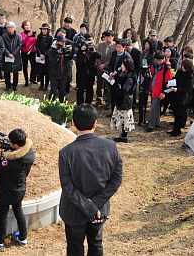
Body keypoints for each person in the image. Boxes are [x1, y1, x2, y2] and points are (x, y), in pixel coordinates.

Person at [59, 103, 123, 256]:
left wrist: (88, 207)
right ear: (95, 123)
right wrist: (94, 206)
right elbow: (116, 180)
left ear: (73, 123)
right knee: (96, 243)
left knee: (74, 247)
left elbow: (67, 187)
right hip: (99, 210)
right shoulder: (110, 146)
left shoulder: (66, 153)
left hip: (74, 210)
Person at [0, 129, 35, 249]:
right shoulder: (29, 153)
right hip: (19, 188)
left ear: (15, 144)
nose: (8, 143)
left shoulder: (12, 161)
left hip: (5, 191)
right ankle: (23, 238)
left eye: (10, 142)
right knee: (18, 211)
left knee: (3, 215)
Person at [109, 58, 136, 142]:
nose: (121, 66)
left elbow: (125, 89)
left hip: (125, 99)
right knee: (121, 117)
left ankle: (124, 136)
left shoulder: (130, 77)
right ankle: (122, 134)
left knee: (125, 118)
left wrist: (117, 88)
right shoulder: (123, 74)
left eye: (123, 65)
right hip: (120, 98)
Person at [146, 50, 172, 132]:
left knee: (153, 107)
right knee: (156, 107)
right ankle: (156, 122)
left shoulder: (167, 67)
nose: (158, 62)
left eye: (159, 60)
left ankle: (150, 125)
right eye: (157, 60)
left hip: (160, 89)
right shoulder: (154, 65)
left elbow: (168, 80)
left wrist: (164, 92)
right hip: (153, 87)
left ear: (163, 58)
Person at [167, 59, 194, 137]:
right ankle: (175, 129)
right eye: (182, 66)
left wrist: (178, 89)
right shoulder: (179, 72)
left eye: (185, 67)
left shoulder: (190, 76)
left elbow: (188, 89)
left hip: (183, 98)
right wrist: (170, 84)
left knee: (180, 114)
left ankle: (178, 130)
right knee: (175, 113)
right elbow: (175, 80)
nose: (183, 68)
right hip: (176, 96)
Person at [76, 33, 101, 105]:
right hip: (82, 72)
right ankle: (80, 103)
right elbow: (80, 61)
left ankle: (88, 103)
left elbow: (99, 56)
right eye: (88, 40)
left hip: (91, 72)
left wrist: (94, 51)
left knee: (89, 88)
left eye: (91, 40)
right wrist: (83, 52)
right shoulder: (80, 49)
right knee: (80, 89)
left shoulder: (94, 48)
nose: (90, 42)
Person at [47, 34, 73, 102]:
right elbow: (52, 62)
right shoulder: (52, 50)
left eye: (64, 42)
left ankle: (61, 105)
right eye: (62, 42)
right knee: (53, 91)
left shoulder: (65, 49)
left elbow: (70, 59)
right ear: (57, 41)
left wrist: (70, 52)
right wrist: (58, 54)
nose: (64, 43)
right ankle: (50, 105)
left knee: (62, 91)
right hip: (54, 74)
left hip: (63, 74)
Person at [95, 31, 116, 108]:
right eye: (106, 37)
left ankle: (108, 101)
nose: (108, 39)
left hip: (108, 68)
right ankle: (98, 99)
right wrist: (100, 64)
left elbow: (113, 59)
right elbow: (97, 55)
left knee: (108, 86)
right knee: (99, 84)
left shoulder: (115, 46)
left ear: (113, 37)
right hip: (100, 68)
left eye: (109, 37)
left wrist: (105, 65)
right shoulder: (100, 45)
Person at [2, 21, 23, 91]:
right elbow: (3, 46)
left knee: (15, 72)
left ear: (14, 28)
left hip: (16, 56)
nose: (10, 29)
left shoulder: (18, 36)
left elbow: (19, 45)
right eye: (8, 28)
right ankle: (7, 85)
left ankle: (15, 85)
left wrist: (13, 54)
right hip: (7, 56)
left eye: (11, 27)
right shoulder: (4, 36)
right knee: (6, 72)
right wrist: (8, 53)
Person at [36, 23, 53, 91]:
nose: (44, 31)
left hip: (47, 57)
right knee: (40, 71)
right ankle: (41, 84)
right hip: (40, 56)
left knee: (47, 72)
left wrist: (45, 55)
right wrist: (40, 54)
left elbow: (50, 48)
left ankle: (46, 85)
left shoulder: (51, 37)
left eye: (45, 29)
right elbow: (37, 46)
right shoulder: (39, 36)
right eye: (43, 29)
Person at [20, 20, 37, 87]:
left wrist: (35, 37)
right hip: (24, 52)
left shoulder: (33, 33)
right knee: (25, 66)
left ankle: (32, 78)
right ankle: (26, 81)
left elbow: (35, 43)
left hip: (32, 52)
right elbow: (23, 43)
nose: (27, 27)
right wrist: (28, 37)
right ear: (23, 26)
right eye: (26, 25)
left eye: (29, 25)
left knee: (34, 66)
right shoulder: (21, 34)